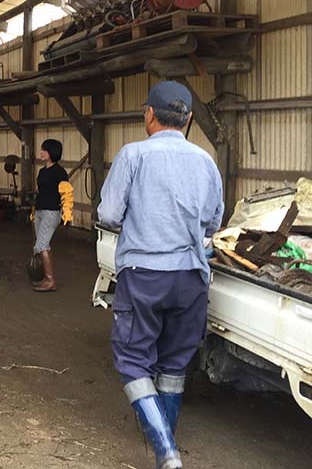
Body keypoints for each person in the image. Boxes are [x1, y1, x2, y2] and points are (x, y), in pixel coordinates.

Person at [98, 81, 223, 469]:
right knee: (173, 361)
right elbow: (213, 220)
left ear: (148, 115)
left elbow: (107, 215)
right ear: (187, 120)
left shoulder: (132, 155)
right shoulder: (205, 160)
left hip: (144, 274)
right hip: (190, 276)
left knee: (133, 359)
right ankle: (165, 442)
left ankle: (166, 450)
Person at [31, 139, 72, 292]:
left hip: (51, 212)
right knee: (40, 244)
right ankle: (44, 277)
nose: (41, 152)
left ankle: (50, 280)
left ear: (52, 152)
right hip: (40, 211)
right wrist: (34, 211)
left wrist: (67, 211)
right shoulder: (43, 171)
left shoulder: (60, 172)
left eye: (44, 150)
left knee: (42, 245)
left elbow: (66, 193)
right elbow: (41, 192)